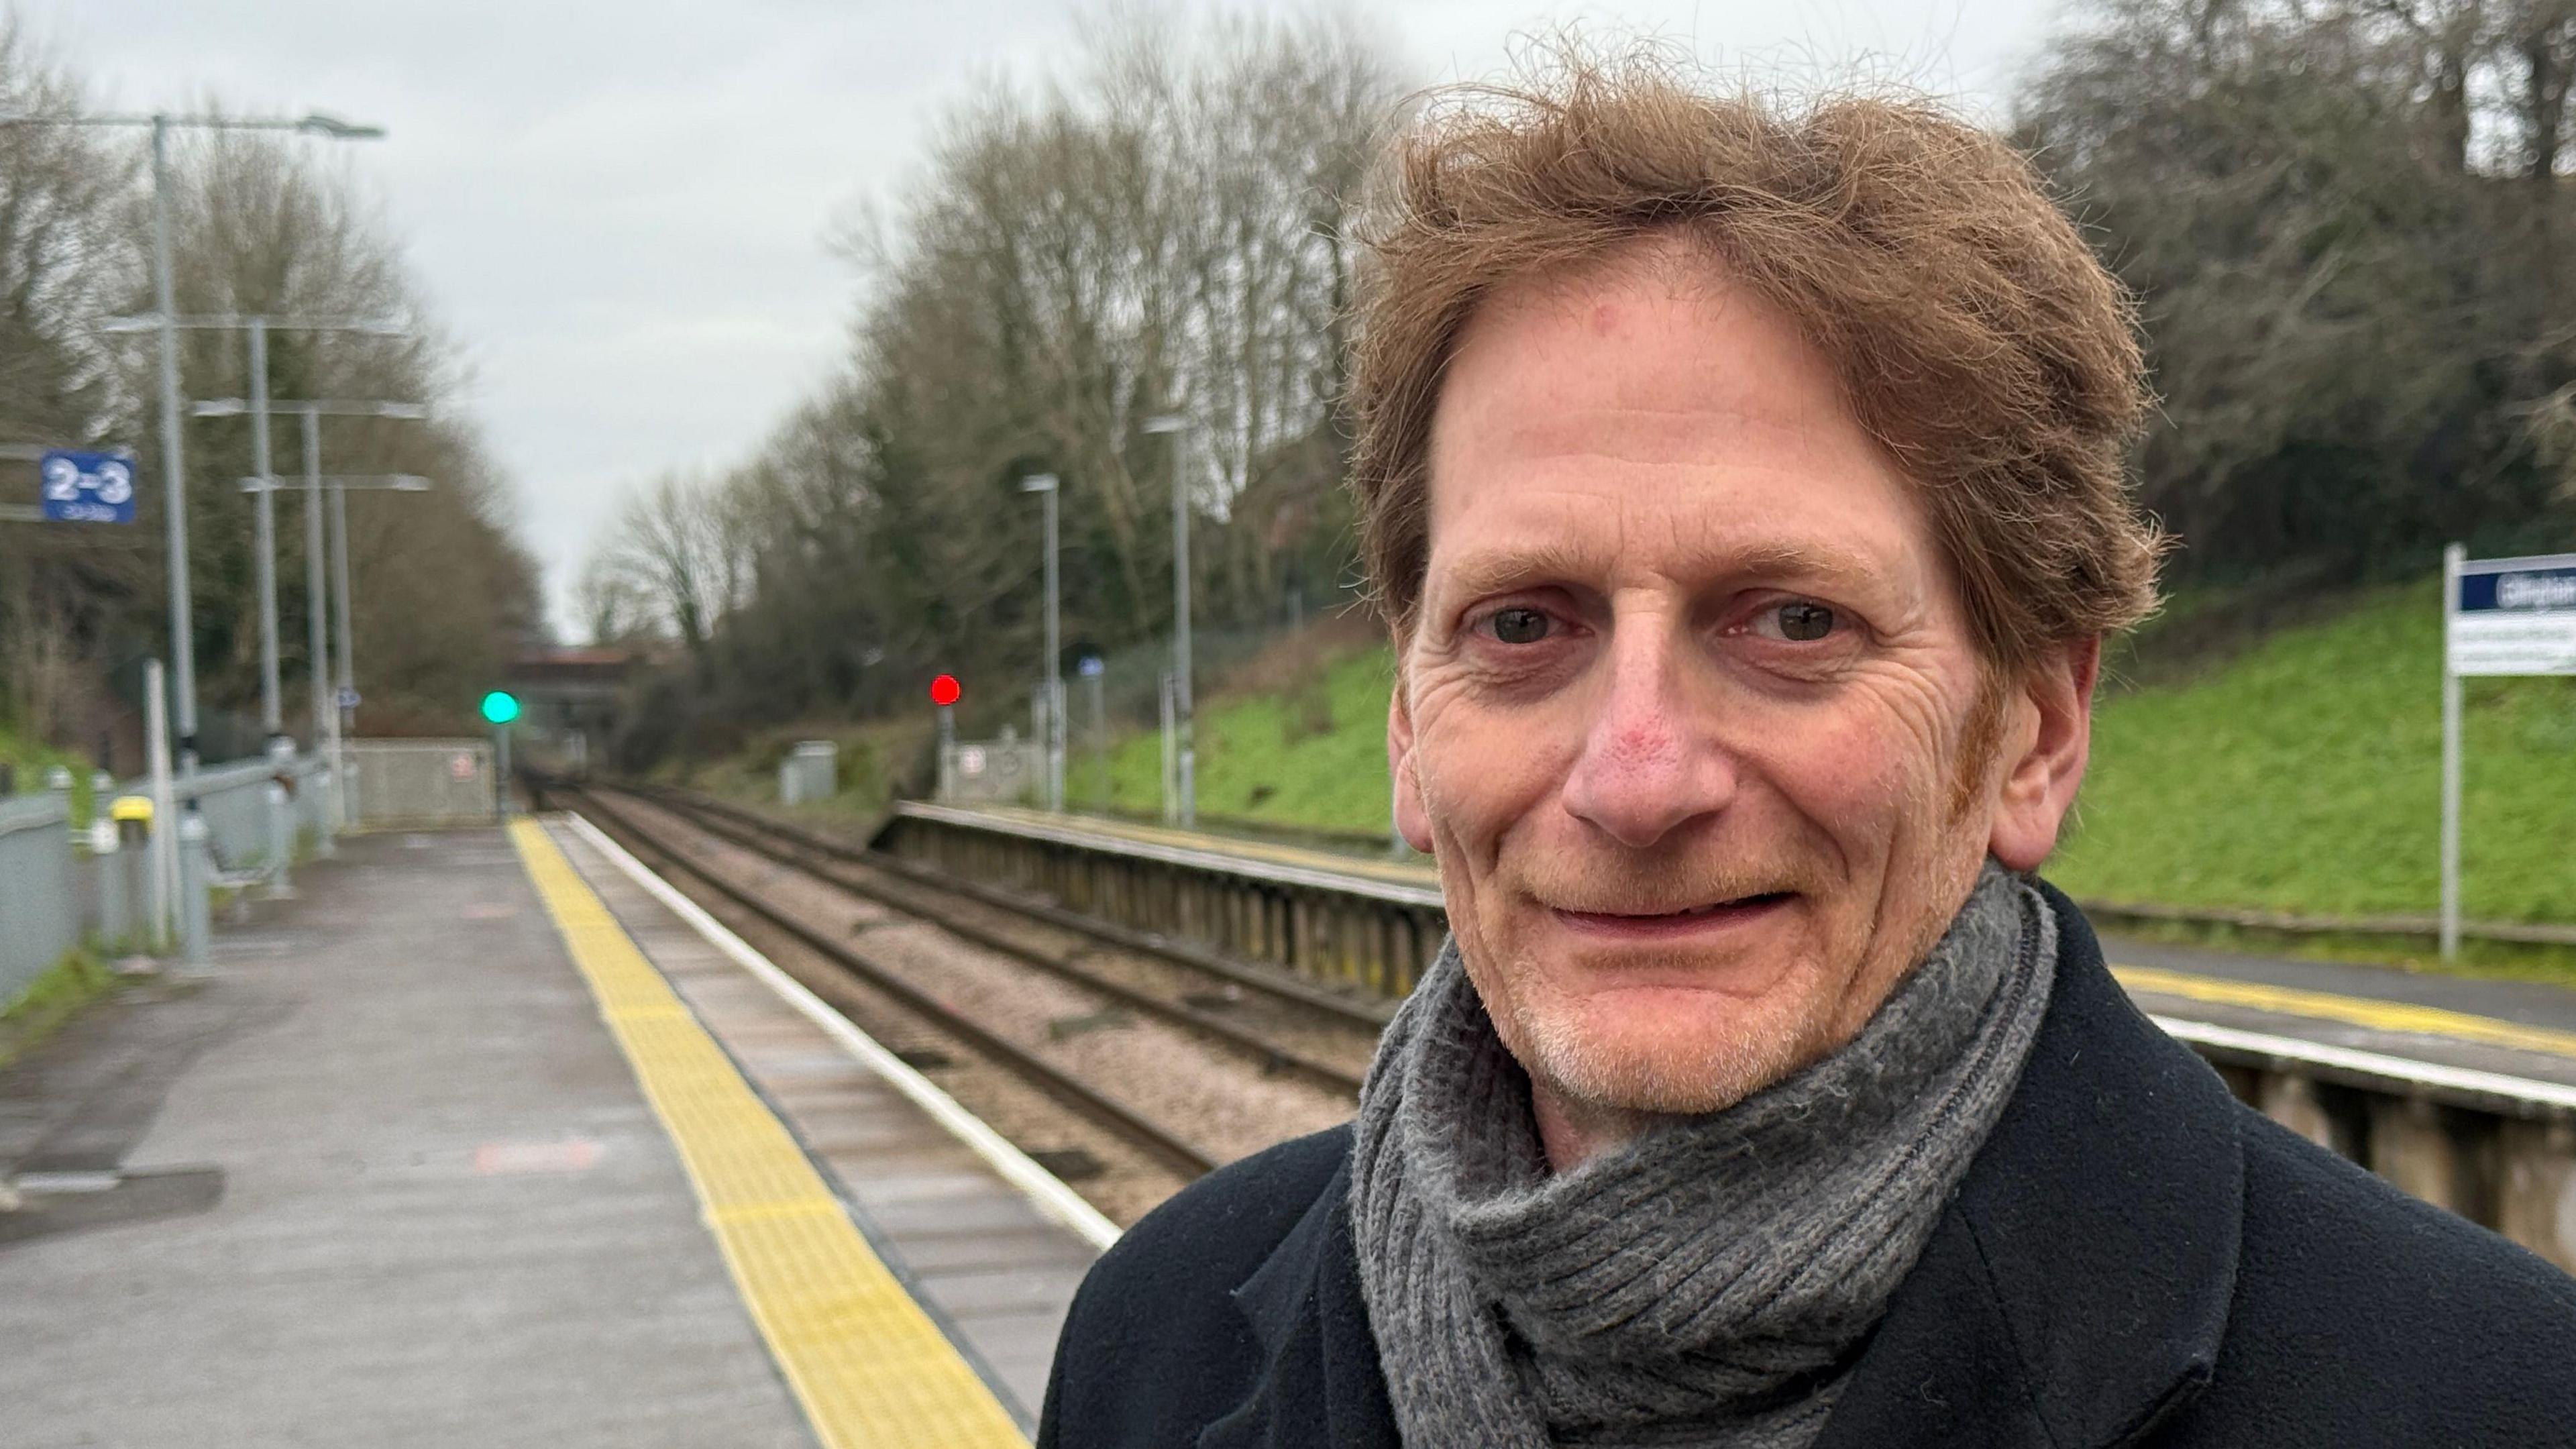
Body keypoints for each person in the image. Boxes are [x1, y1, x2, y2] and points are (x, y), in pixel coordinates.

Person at [1039, 53, 2576, 1449]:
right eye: (1522, 628)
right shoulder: (1152, 1343)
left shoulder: (2492, 1397)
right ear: (1404, 733)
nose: (1636, 780)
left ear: (2035, 730)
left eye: (1791, 621)